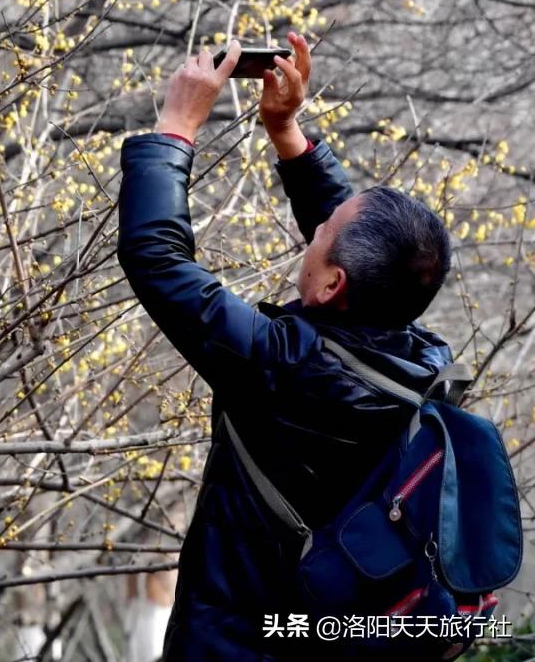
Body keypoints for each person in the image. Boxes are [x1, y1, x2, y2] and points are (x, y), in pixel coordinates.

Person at [117, 33, 456, 661]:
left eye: (320, 233)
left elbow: (157, 259)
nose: (315, 230)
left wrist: (175, 127)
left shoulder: (285, 369)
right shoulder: (420, 355)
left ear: (333, 284)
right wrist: (287, 133)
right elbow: (357, 243)